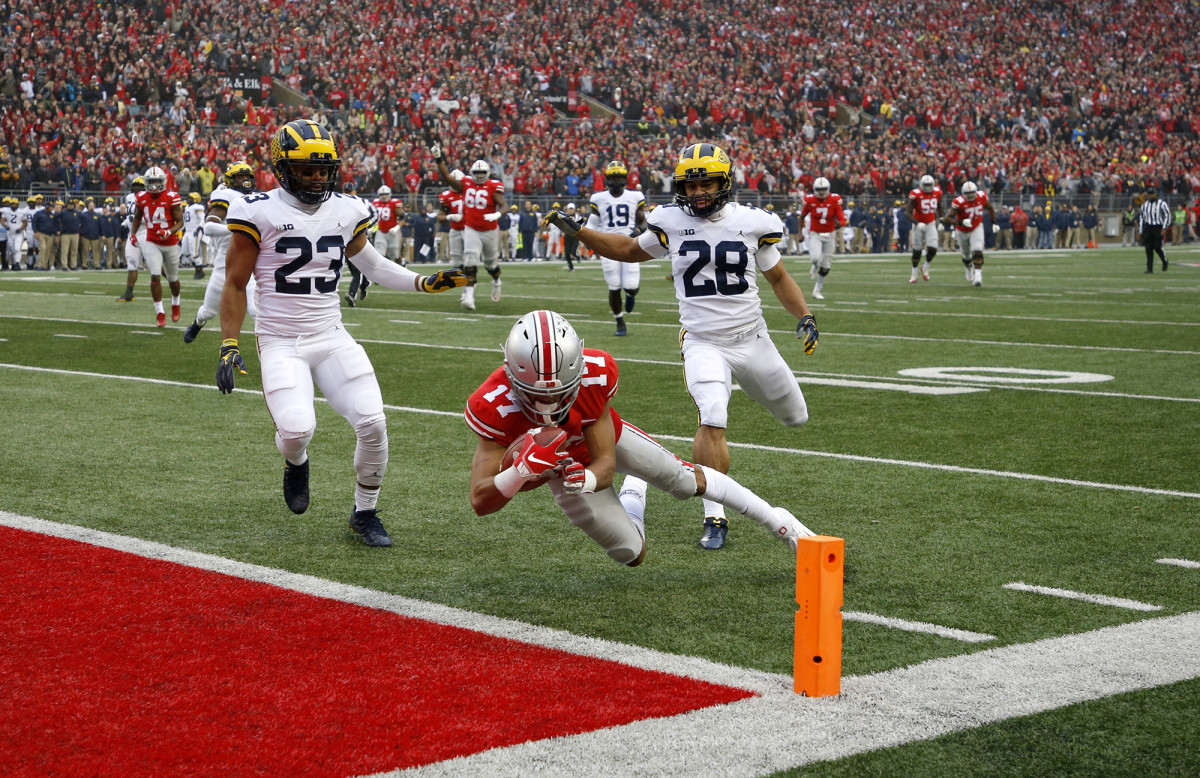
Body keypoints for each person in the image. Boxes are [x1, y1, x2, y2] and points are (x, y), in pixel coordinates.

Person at [541, 142, 819, 551]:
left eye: (705, 183)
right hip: (703, 341)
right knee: (713, 415)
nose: (696, 194)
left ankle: (642, 480)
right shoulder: (669, 221)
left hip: (753, 340)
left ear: (725, 182)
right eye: (689, 186)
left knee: (796, 417)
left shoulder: (753, 222)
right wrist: (579, 231)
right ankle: (715, 514)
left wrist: (805, 316)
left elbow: (778, 278)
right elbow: (627, 250)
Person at [216, 119, 468, 547]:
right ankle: (296, 461)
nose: (316, 178)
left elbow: (373, 266)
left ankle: (364, 513)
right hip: (280, 339)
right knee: (295, 431)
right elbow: (236, 283)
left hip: (330, 335)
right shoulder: (257, 210)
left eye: (322, 169)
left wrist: (423, 283)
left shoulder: (348, 209)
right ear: (282, 167)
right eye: (306, 170)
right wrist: (228, 343)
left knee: (372, 422)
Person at [466, 310, 814, 565]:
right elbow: (481, 502)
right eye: (534, 394)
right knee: (632, 554)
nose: (548, 405)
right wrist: (519, 472)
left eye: (560, 393)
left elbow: (604, 461)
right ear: (510, 373)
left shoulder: (595, 373)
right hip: (559, 473)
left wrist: (586, 478)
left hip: (596, 452)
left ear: (578, 372)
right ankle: (635, 490)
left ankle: (781, 523)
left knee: (684, 481)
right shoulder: (492, 403)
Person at [183, 162, 259, 343]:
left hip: (250, 260)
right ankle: (197, 322)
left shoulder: (259, 198)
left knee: (256, 310)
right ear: (231, 180)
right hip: (225, 261)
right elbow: (209, 227)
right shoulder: (225, 194)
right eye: (241, 177)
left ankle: (270, 349)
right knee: (208, 311)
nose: (245, 181)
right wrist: (237, 229)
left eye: (248, 177)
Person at [431, 141, 506, 310]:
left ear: (488, 173)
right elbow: (447, 177)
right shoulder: (466, 184)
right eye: (477, 173)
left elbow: (504, 204)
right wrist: (438, 158)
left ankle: (496, 280)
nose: (479, 176)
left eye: (482, 173)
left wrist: (498, 214)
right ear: (472, 173)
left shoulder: (494, 186)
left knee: (490, 264)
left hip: (490, 229)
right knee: (470, 260)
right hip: (471, 228)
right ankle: (469, 298)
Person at [586, 161, 647, 335]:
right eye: (613, 177)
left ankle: (630, 294)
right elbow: (593, 223)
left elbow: (642, 220)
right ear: (607, 178)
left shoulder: (635, 196)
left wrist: (639, 231)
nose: (616, 180)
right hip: (607, 244)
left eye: (619, 177)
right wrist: (588, 237)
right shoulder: (598, 198)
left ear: (625, 178)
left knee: (631, 285)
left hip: (629, 243)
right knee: (614, 285)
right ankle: (620, 321)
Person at [129, 166, 186, 326]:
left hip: (170, 242)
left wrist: (169, 231)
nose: (154, 185)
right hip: (152, 241)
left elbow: (180, 222)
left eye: (157, 181)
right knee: (155, 276)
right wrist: (133, 234)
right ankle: (160, 312)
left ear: (163, 182)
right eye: (151, 182)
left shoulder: (171, 197)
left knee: (173, 279)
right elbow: (137, 217)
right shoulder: (141, 197)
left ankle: (175, 303)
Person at [941, 181, 997, 287]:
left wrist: (994, 221)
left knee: (977, 250)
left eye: (972, 193)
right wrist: (960, 222)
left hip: (976, 226)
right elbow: (946, 219)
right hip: (962, 230)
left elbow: (990, 207)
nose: (970, 195)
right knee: (966, 255)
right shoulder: (959, 202)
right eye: (968, 193)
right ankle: (968, 267)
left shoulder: (982, 197)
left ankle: (978, 275)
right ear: (963, 193)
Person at [800, 176, 846, 300]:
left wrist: (840, 223)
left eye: (823, 189)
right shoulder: (810, 200)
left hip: (830, 234)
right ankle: (814, 266)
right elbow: (802, 216)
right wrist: (801, 233)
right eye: (818, 189)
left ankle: (816, 291)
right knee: (815, 258)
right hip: (816, 233)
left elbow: (841, 217)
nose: (821, 192)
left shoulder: (835, 199)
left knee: (826, 267)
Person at [115, 177, 147, 301]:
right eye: (135, 185)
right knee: (132, 263)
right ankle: (129, 293)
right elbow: (129, 215)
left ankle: (173, 284)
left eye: (139, 185)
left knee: (153, 264)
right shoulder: (129, 197)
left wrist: (139, 219)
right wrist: (125, 223)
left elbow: (150, 216)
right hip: (132, 234)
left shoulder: (147, 197)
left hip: (144, 233)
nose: (137, 188)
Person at [1138, 187, 1171, 273]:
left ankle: (1164, 261)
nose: (1150, 196)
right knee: (1148, 248)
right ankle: (1149, 269)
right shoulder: (1144, 205)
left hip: (1158, 227)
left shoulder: (1162, 204)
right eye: (1149, 194)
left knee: (1157, 247)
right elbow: (1141, 218)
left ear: (1155, 194)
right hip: (1148, 227)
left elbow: (1167, 215)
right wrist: (1140, 230)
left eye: (1151, 194)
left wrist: (1164, 227)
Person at [372, 185, 403, 264]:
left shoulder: (395, 202)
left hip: (392, 231)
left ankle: (401, 266)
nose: (384, 196)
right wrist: (371, 228)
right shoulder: (375, 202)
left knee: (394, 253)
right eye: (382, 195)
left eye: (386, 194)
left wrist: (397, 227)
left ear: (389, 194)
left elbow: (403, 217)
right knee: (379, 252)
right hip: (380, 230)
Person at [182, 191, 207, 278]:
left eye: (190, 198)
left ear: (196, 199)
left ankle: (199, 271)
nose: (188, 199)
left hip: (195, 231)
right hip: (187, 231)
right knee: (185, 252)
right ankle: (197, 267)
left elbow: (203, 219)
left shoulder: (198, 207)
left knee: (194, 252)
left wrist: (199, 228)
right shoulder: (187, 207)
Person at [562, 202, 581, 270]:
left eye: (572, 209)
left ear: (574, 209)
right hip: (567, 236)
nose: (570, 210)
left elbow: (581, 226)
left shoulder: (578, 217)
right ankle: (571, 267)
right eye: (569, 209)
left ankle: (577, 256)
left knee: (573, 251)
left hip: (575, 236)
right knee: (567, 253)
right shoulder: (564, 216)